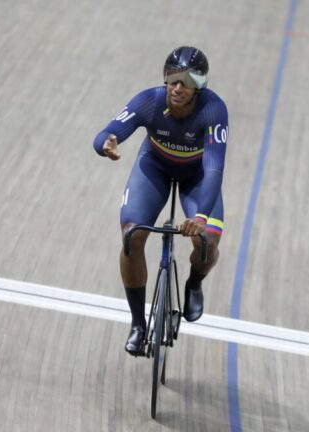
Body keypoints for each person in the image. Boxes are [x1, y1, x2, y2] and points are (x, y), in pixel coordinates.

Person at [92, 46, 228, 356]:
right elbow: (107, 132)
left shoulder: (214, 110)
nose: (178, 88)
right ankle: (138, 324)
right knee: (132, 236)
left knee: (207, 241)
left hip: (197, 177)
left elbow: (214, 168)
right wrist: (106, 144)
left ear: (199, 86)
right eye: (173, 80)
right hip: (154, 168)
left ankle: (194, 282)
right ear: (165, 78)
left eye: (187, 83)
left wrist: (201, 218)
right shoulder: (149, 101)